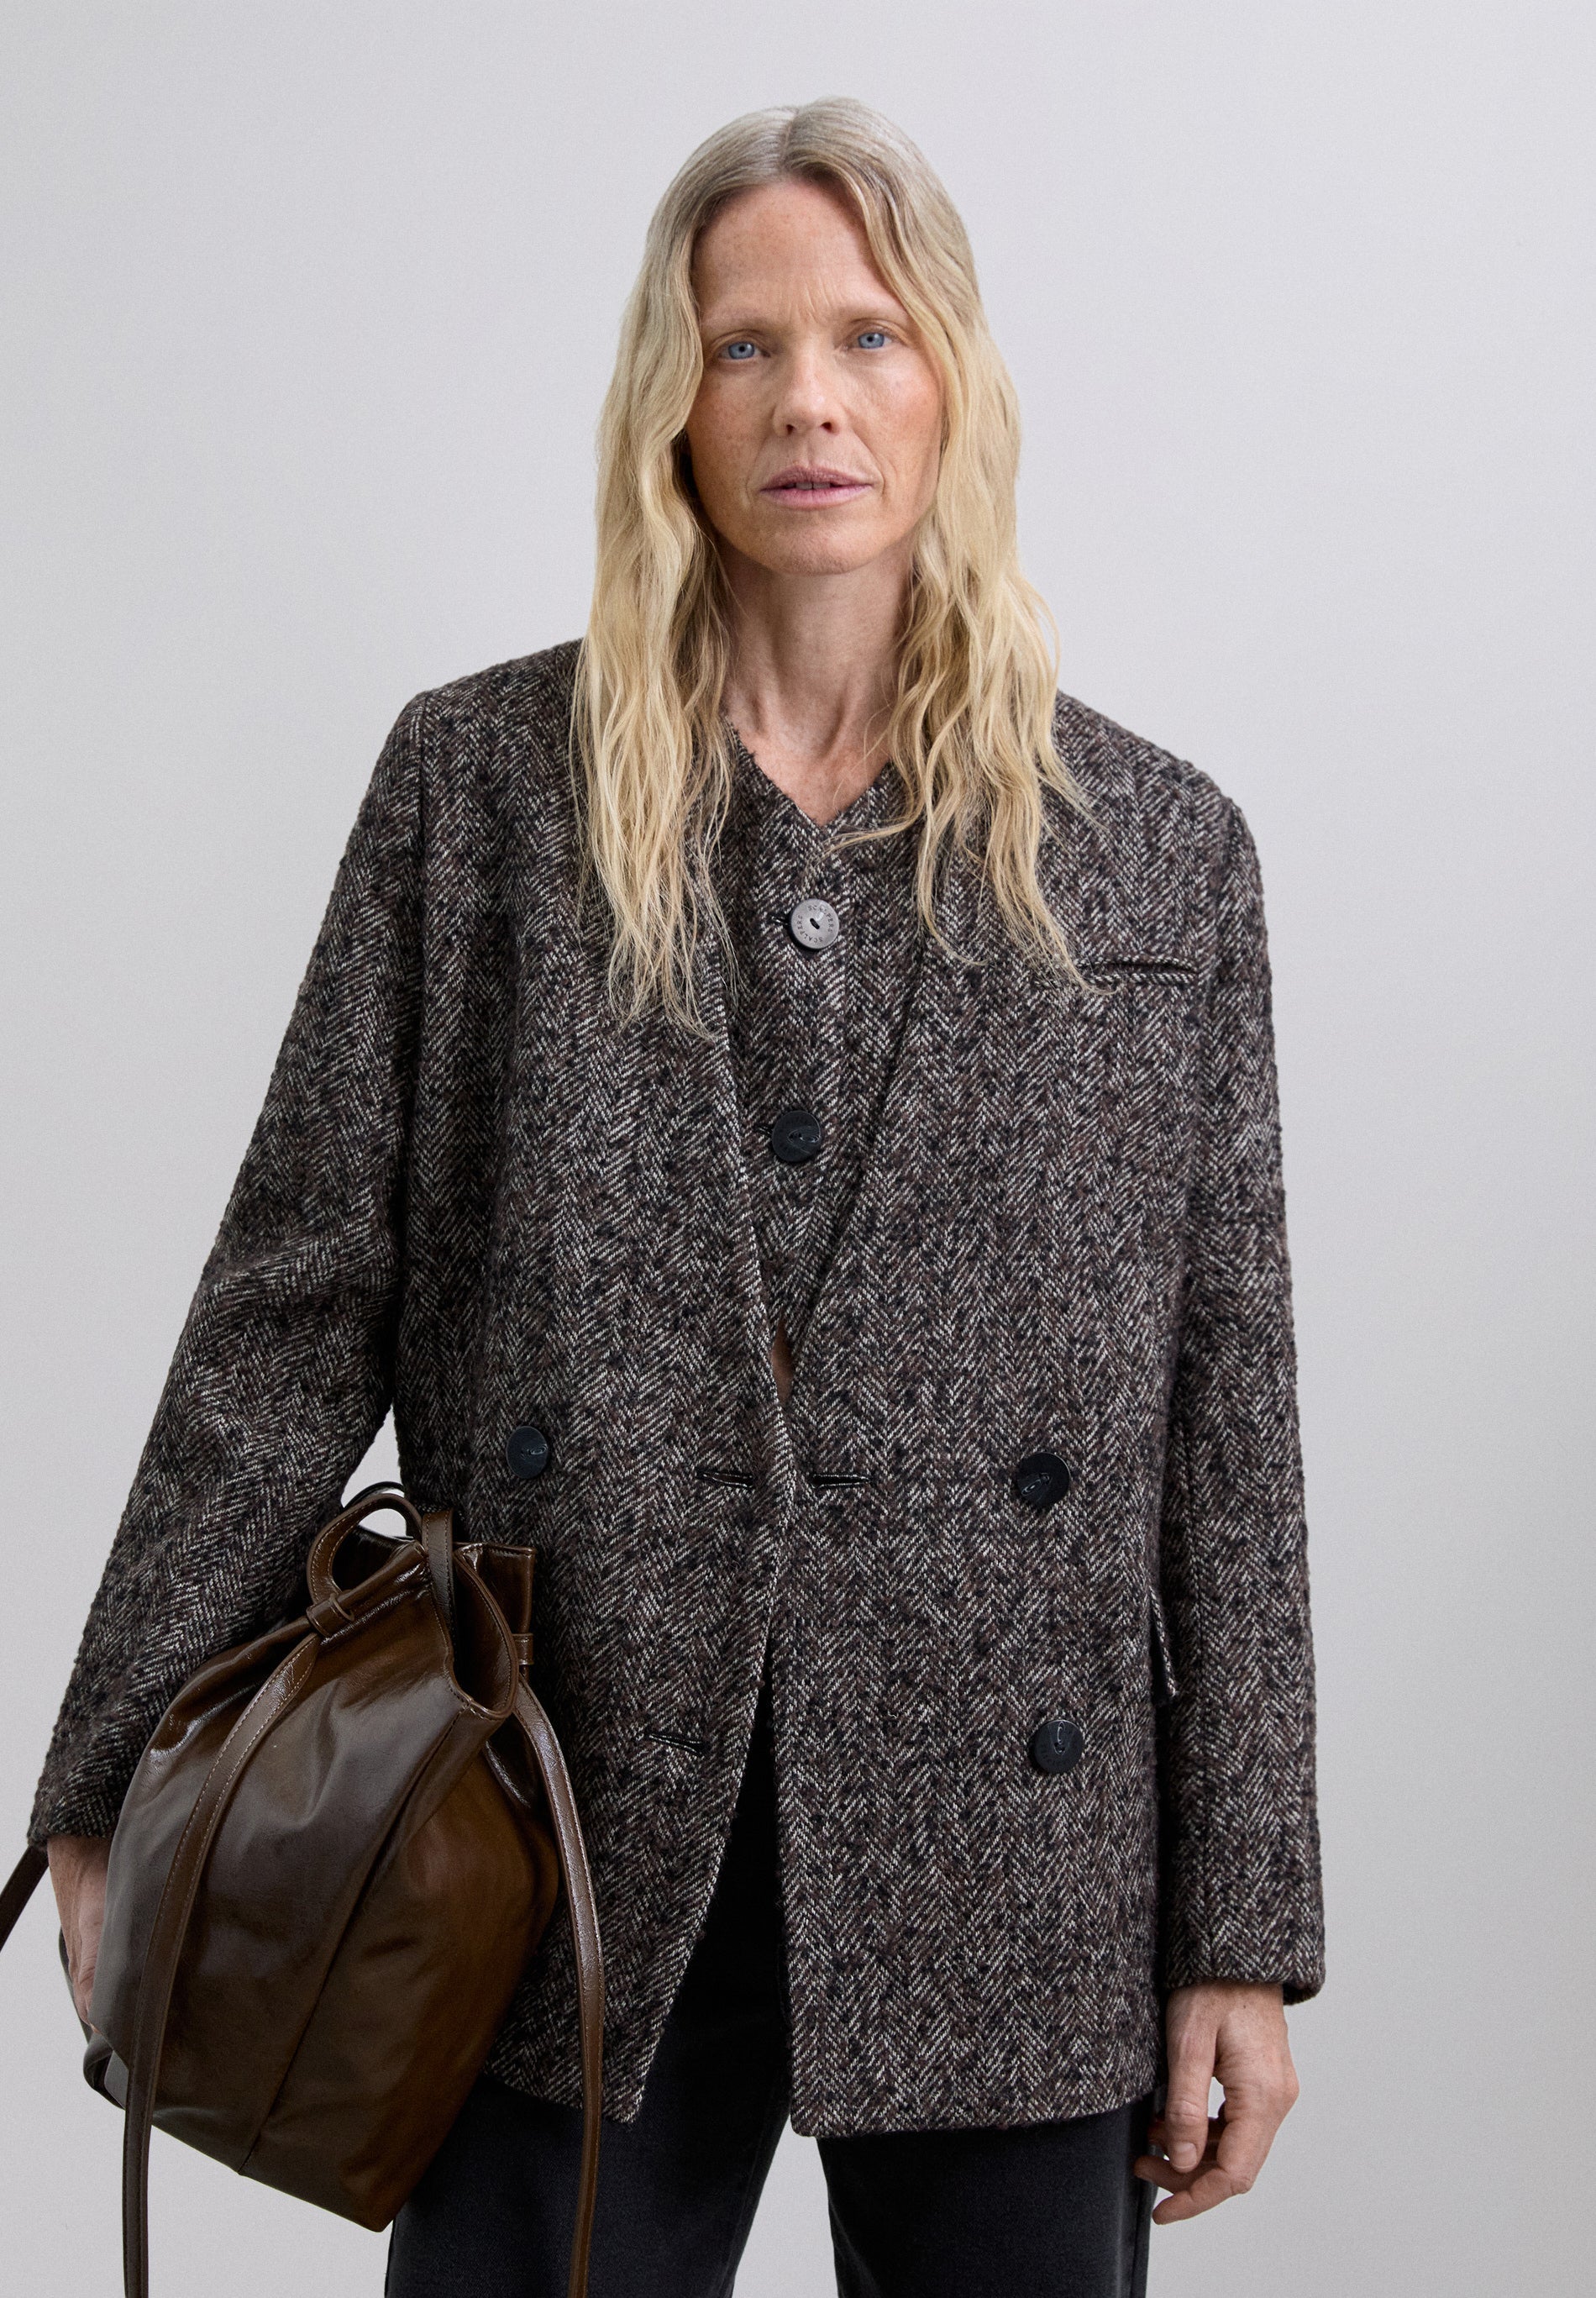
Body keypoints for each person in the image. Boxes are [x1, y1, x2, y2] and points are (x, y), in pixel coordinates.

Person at [35, 97, 1322, 2298]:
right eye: (746, 345)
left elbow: (1229, 1433)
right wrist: (111, 1774)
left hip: (1012, 1857)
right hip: (561, 1823)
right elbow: (291, 1307)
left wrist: (1244, 1932)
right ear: (673, 403)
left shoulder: (1153, 852)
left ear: (951, 383)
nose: (810, 398)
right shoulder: (481, 795)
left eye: (867, 335)